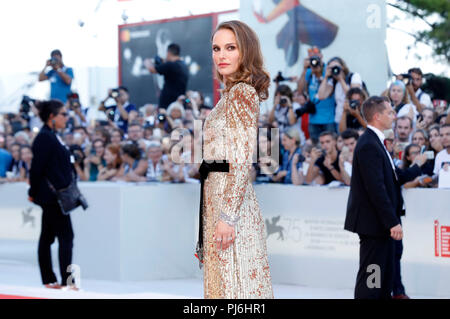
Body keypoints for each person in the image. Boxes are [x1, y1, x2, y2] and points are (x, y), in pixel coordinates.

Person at [199, 20, 273, 299]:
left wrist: (227, 217)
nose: (221, 55)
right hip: (218, 201)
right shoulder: (228, 95)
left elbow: (241, 160)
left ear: (246, 52)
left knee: (236, 290)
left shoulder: (242, 92)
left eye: (231, 48)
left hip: (231, 209)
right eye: (216, 48)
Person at [344, 96, 424, 299]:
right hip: (375, 226)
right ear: (377, 116)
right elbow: (376, 188)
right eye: (390, 112)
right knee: (372, 281)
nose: (394, 116)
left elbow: (394, 178)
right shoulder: (369, 144)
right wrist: (392, 222)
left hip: (381, 226)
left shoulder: (377, 143)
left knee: (384, 280)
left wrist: (417, 166)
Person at [28, 100, 76, 290]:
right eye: (63, 114)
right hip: (52, 197)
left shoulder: (53, 136)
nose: (67, 117)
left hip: (57, 195)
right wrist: (33, 192)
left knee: (47, 237)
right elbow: (36, 168)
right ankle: (66, 282)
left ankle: (50, 280)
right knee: (66, 236)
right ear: (52, 117)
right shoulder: (45, 137)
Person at [297, 49, 336, 141]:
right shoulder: (309, 72)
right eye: (311, 55)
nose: (314, 58)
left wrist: (321, 74)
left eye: (316, 53)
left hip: (328, 119)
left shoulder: (327, 69)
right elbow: (300, 90)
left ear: (321, 55)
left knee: (329, 147)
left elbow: (326, 92)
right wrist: (304, 70)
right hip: (313, 119)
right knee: (316, 147)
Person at [318, 56, 364, 130]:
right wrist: (326, 77)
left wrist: (341, 79)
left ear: (342, 67)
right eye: (331, 68)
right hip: (340, 119)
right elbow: (321, 96)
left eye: (336, 67)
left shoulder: (353, 76)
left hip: (354, 117)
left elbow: (353, 95)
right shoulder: (333, 81)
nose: (334, 69)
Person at [144, 43, 189, 109]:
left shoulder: (170, 65)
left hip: (168, 105)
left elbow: (152, 69)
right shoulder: (184, 65)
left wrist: (147, 61)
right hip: (180, 103)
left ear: (168, 53)